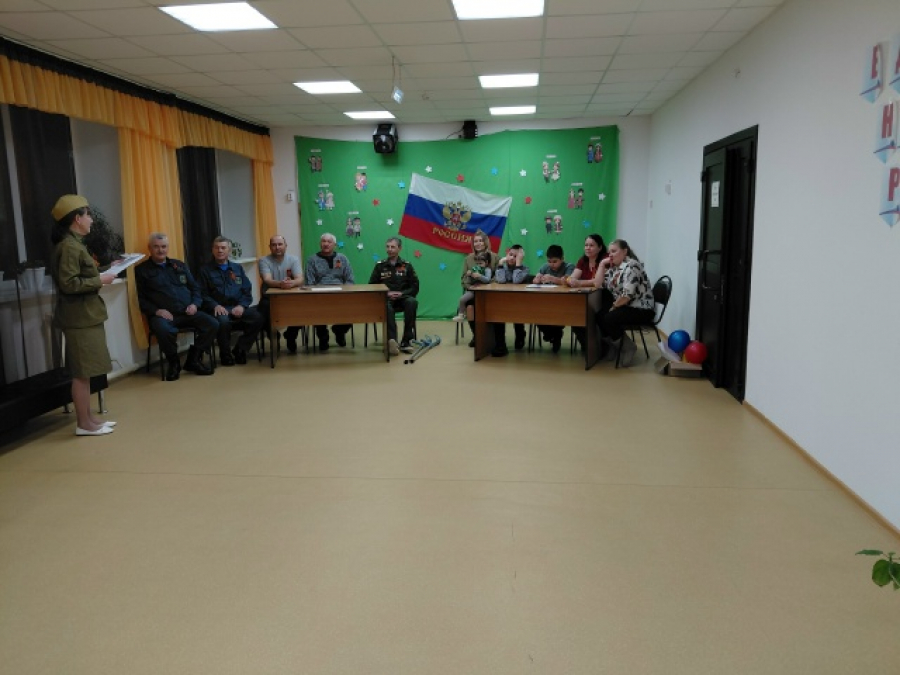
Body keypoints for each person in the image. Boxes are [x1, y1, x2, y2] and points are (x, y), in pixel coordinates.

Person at [49, 194, 118, 436]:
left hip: (86, 316)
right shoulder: (69, 247)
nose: (91, 220)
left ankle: (89, 419)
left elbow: (83, 273)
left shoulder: (75, 244)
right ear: (77, 219)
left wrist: (108, 269)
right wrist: (99, 280)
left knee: (86, 371)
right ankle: (83, 424)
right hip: (79, 318)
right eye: (87, 215)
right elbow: (69, 284)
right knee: (81, 373)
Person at [135, 233, 216, 380]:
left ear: (168, 248)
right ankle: (174, 363)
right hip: (164, 316)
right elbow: (140, 299)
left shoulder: (179, 265)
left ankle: (193, 359)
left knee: (212, 324)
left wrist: (195, 304)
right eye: (156, 247)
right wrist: (156, 311)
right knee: (163, 329)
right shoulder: (142, 270)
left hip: (187, 312)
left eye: (163, 246)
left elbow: (195, 288)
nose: (160, 250)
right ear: (149, 248)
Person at [198, 236, 264, 366]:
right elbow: (201, 293)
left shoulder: (237, 268)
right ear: (212, 250)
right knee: (223, 322)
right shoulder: (205, 270)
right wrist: (215, 305)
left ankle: (241, 348)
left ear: (229, 251)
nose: (220, 250)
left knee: (258, 317)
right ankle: (225, 354)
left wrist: (242, 306)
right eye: (217, 248)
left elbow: (246, 290)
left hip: (237, 307)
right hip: (219, 308)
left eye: (223, 248)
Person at [593, 239, 655, 367]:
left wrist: (613, 307)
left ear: (625, 251)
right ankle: (615, 345)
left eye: (614, 251)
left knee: (609, 317)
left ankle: (628, 347)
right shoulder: (615, 267)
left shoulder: (632, 266)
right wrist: (602, 264)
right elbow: (598, 284)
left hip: (641, 308)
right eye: (609, 252)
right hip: (625, 306)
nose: (610, 255)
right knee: (599, 315)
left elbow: (627, 295)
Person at [369, 237, 420, 356]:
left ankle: (407, 341)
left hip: (403, 298)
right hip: (386, 298)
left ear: (399, 248)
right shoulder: (380, 266)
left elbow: (415, 286)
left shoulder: (407, 265)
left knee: (412, 302)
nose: (389, 249)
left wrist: (402, 294)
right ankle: (392, 341)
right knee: (386, 307)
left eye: (393, 247)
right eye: (387, 247)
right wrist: (386, 293)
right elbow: (372, 285)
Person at [304, 232, 354, 351]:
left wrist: (345, 292)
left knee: (353, 309)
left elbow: (350, 279)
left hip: (340, 294)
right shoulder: (312, 260)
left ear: (334, 245)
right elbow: (309, 282)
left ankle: (339, 330)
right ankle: (323, 337)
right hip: (319, 296)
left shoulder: (342, 258)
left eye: (329, 242)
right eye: (323, 241)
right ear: (320, 244)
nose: (326, 244)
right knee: (317, 311)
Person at [258, 234, 304, 354]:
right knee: (262, 312)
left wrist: (292, 283)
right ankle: (274, 336)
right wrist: (280, 284)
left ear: (285, 246)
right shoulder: (263, 261)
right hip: (270, 298)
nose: (277, 247)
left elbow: (300, 279)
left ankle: (291, 336)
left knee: (303, 310)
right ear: (270, 247)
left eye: (280, 244)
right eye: (274, 245)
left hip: (290, 297)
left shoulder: (294, 259)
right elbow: (267, 279)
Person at [567, 234, 608, 352]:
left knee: (596, 317)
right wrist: (570, 280)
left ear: (600, 247)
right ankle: (587, 347)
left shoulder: (605, 260)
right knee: (576, 316)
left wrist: (580, 283)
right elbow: (572, 277)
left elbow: (597, 282)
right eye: (586, 245)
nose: (587, 248)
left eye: (591, 245)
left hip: (603, 297)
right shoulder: (583, 260)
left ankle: (603, 346)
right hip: (585, 298)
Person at [532, 244, 575, 353]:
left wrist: (552, 278)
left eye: (555, 261)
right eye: (549, 261)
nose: (552, 264)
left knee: (556, 314)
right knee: (535, 313)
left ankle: (554, 335)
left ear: (562, 259)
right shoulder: (545, 267)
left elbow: (568, 282)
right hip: (545, 302)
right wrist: (537, 279)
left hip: (564, 303)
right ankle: (554, 335)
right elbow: (535, 279)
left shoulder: (569, 267)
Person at [491, 244, 530, 356]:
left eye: (516, 256)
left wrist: (518, 264)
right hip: (503, 302)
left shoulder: (525, 269)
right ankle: (500, 346)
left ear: (521, 258)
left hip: (520, 303)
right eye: (510, 254)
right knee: (497, 313)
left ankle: (520, 334)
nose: (512, 258)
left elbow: (516, 281)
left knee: (516, 313)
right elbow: (501, 280)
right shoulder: (503, 267)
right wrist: (500, 263)